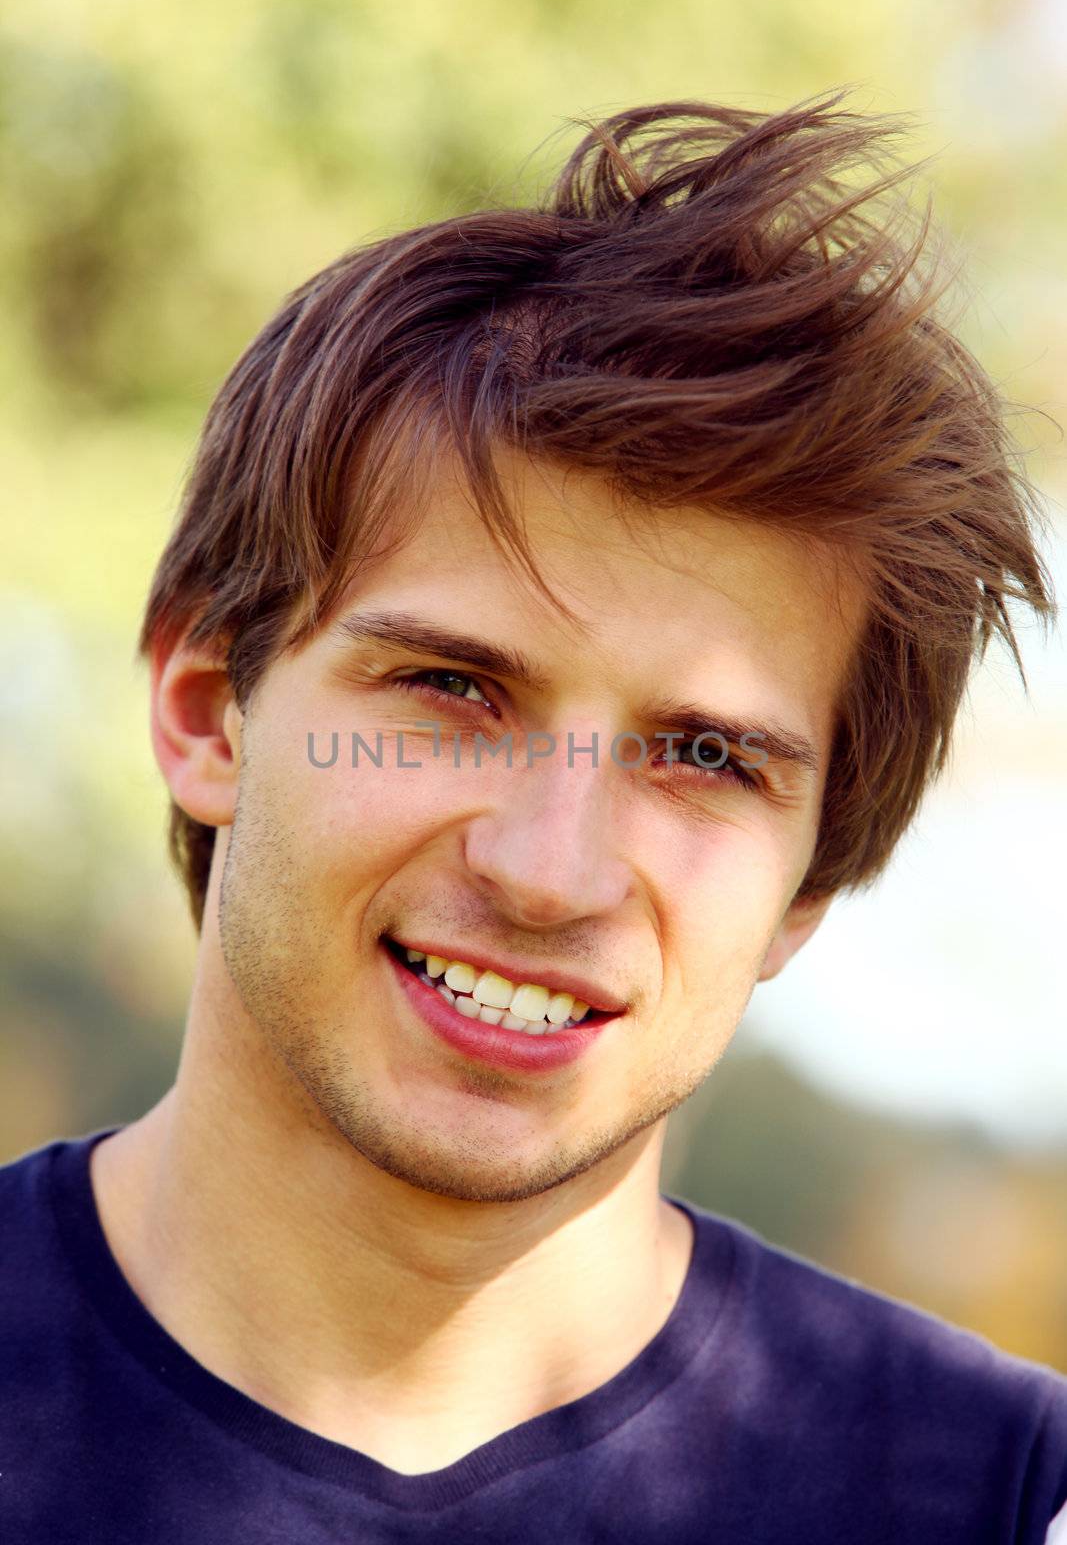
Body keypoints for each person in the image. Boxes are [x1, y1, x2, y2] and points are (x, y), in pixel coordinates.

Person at [2, 92, 1065, 1544]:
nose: (550, 871)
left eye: (704, 756)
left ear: (811, 888)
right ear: (205, 712)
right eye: (450, 688)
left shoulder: (1002, 1505)